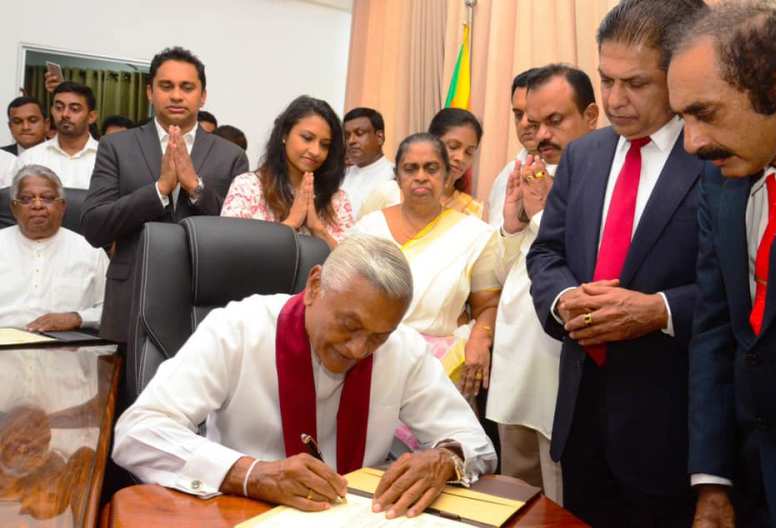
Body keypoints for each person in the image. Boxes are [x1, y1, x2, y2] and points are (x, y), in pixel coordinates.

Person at [112, 235, 497, 518]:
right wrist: (253, 474)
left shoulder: (403, 349)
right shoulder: (238, 329)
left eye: (378, 336)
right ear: (315, 286)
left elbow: (474, 443)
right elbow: (136, 432)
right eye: (349, 325)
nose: (358, 349)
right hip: (242, 511)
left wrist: (445, 458)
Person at [527, 0, 710, 525]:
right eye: (606, 79)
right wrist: (564, 300)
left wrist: (660, 310)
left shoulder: (715, 156)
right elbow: (547, 252)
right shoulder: (584, 155)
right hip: (583, 420)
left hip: (673, 432)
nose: (613, 100)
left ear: (677, 73)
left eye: (634, 83)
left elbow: (742, 284)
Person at [667, 3, 776, 527]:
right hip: (752, 482)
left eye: (706, 113)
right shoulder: (721, 179)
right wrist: (713, 480)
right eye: (683, 118)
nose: (692, 143)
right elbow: (717, 329)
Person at [81, 46, 249, 347]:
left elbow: (236, 234)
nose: (176, 95)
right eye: (166, 86)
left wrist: (194, 187)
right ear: (149, 92)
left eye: (187, 87)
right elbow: (95, 226)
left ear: (203, 95)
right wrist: (158, 191)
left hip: (202, 299)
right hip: (132, 294)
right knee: (125, 393)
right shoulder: (116, 146)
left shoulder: (231, 156)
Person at [486, 64, 597, 502]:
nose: (541, 135)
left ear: (590, 117)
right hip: (516, 349)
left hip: (559, 353)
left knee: (559, 491)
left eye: (555, 121)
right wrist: (513, 227)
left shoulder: (602, 172)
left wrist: (545, 215)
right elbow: (501, 271)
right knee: (516, 491)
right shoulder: (516, 172)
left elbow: (587, 266)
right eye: (533, 123)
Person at [354, 133, 499, 425]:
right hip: (368, 361)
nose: (421, 177)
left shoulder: (475, 235)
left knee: (432, 464)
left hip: (439, 372)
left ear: (447, 177)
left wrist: (480, 339)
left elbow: (488, 304)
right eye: (411, 168)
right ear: (397, 177)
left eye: (431, 169)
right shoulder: (368, 229)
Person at [221, 95, 353, 248]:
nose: (316, 151)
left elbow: (353, 266)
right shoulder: (248, 187)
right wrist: (291, 223)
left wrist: (317, 229)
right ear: (284, 134)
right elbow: (230, 251)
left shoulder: (337, 199)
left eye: (325, 145)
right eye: (307, 138)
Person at [0, 165, 107, 331]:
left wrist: (77, 318)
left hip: (65, 346)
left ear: (63, 206)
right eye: (27, 199)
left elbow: (113, 310)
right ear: (14, 207)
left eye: (48, 198)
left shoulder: (91, 250)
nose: (37, 205)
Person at [361, 109, 485, 219]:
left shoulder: (472, 210)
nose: (460, 158)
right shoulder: (389, 193)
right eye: (453, 146)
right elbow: (355, 241)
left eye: (469, 152)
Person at [12, 82, 98, 189]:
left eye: (74, 109)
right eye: (59, 107)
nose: (65, 114)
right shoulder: (30, 158)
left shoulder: (106, 158)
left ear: (91, 117)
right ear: (52, 111)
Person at [486, 68, 538, 227]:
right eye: (518, 114)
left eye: (531, 113)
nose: (524, 123)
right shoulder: (507, 174)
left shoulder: (572, 169)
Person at [341, 107, 394, 219]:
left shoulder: (393, 176)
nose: (351, 141)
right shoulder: (341, 175)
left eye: (359, 133)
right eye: (347, 136)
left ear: (380, 137)